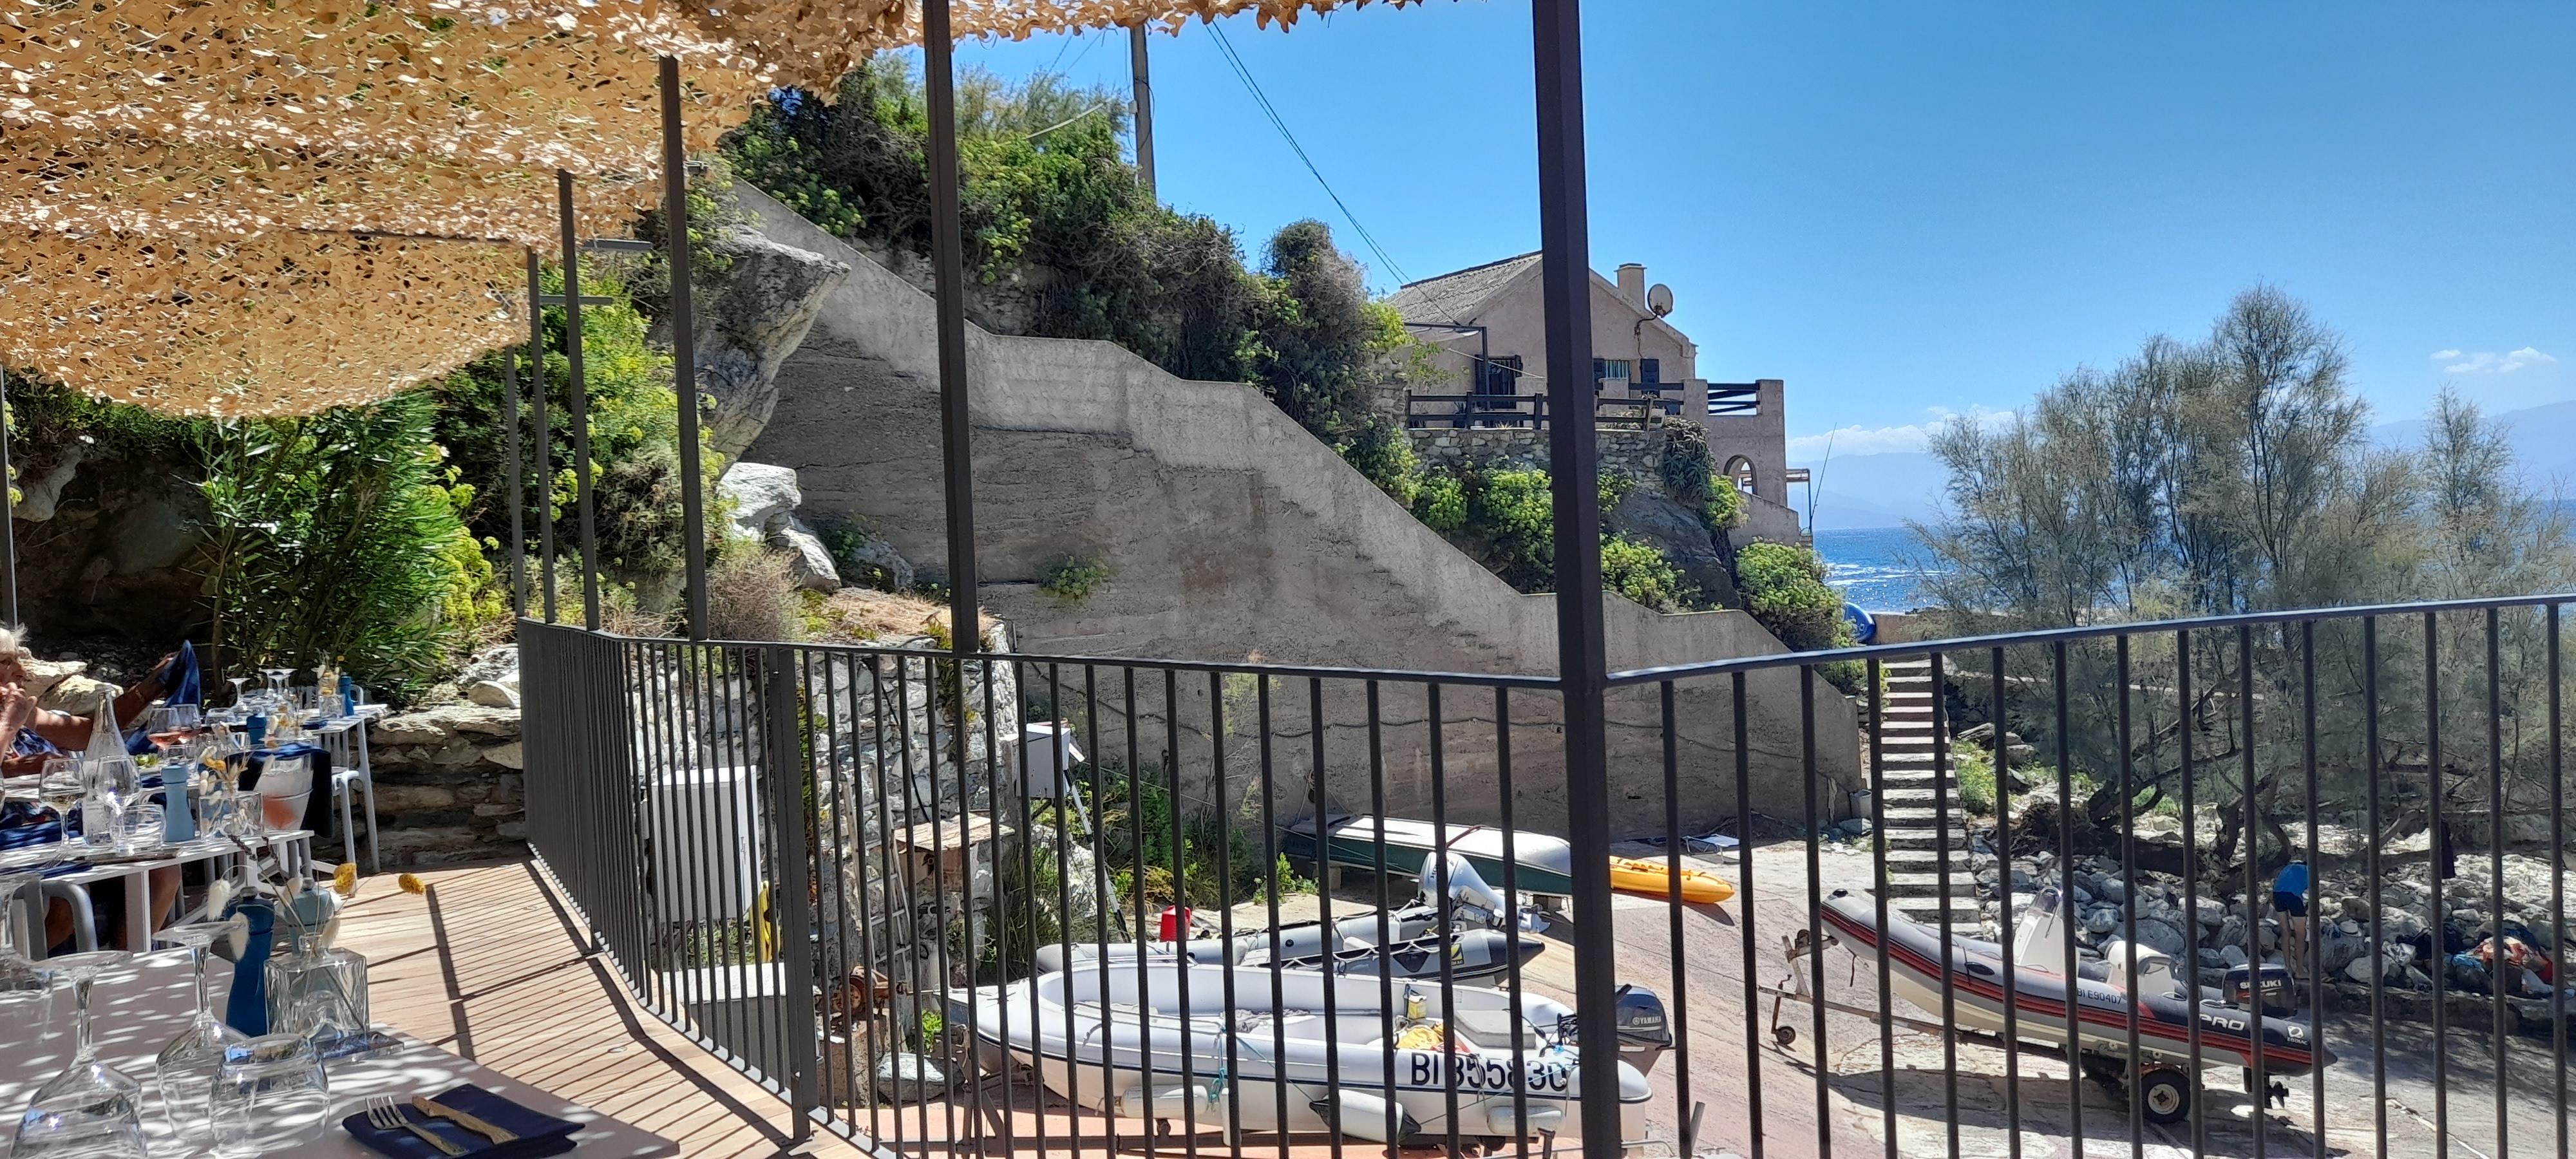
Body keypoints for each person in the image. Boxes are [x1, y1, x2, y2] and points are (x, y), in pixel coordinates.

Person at [0, 627, 184, 949]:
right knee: (67, 900)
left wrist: (148, 689)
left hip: (63, 825)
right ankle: (15, 968)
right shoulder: (12, 715)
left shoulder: (18, 708)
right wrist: (10, 727)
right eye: (6, 662)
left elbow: (88, 732)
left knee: (163, 872)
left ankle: (130, 962)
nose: (21, 671)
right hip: (17, 835)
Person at [2273, 860, 2312, 979]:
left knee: (2285, 931)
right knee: (2301, 933)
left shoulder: (2288, 867)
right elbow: (2312, 891)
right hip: (2293, 896)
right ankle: (2300, 971)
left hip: (2277, 895)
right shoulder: (2308, 870)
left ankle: (2288, 968)